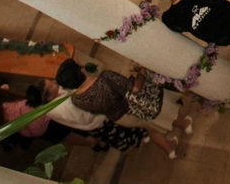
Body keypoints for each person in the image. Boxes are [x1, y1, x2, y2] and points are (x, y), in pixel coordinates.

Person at [55, 59, 187, 160]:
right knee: (167, 116)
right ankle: (186, 125)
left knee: (150, 128)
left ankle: (169, 148)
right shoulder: (105, 77)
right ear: (82, 71)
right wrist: (141, 72)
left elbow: (97, 110)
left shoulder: (76, 100)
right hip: (136, 108)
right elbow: (135, 88)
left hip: (121, 119)